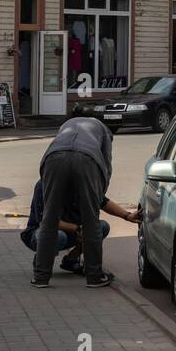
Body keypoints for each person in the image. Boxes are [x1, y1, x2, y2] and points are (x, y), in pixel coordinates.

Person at [32, 117, 119, 288]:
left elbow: (59, 147)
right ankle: (94, 276)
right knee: (91, 220)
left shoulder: (66, 124)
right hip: (87, 160)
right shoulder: (104, 131)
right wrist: (98, 194)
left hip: (53, 159)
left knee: (50, 219)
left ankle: (40, 277)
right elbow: (107, 164)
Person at [20, 177, 138, 274]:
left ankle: (71, 260)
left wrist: (127, 216)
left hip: (73, 232)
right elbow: (46, 222)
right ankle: (42, 261)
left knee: (101, 227)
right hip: (39, 233)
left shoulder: (83, 182)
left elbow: (104, 202)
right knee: (58, 236)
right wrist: (78, 228)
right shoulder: (44, 184)